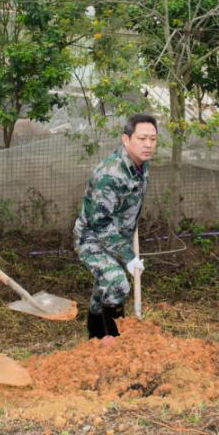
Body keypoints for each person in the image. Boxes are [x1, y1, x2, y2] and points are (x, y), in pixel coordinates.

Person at [73, 114, 158, 338]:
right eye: (142, 138)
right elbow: (98, 222)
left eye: (153, 139)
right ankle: (111, 335)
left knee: (104, 285)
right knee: (118, 283)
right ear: (126, 139)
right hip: (91, 239)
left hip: (117, 238)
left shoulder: (141, 166)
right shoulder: (109, 175)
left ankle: (94, 335)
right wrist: (129, 256)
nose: (148, 144)